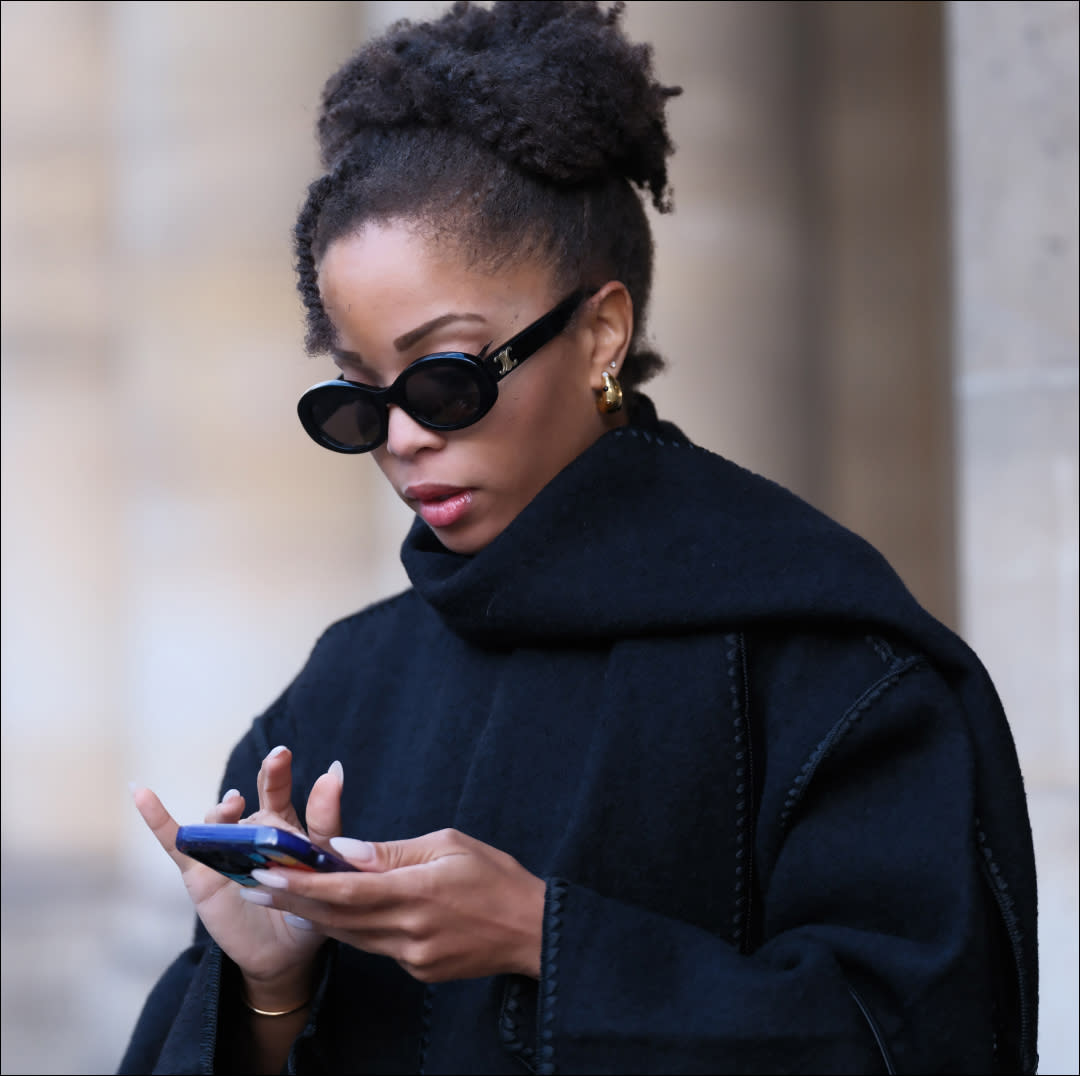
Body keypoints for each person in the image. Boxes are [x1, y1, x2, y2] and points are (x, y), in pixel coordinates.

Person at [118, 2, 1039, 1073]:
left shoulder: (834, 663)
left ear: (601, 332)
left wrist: (541, 937)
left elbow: (921, 1039)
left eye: (447, 376)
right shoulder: (341, 686)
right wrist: (271, 991)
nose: (404, 440)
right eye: (358, 403)